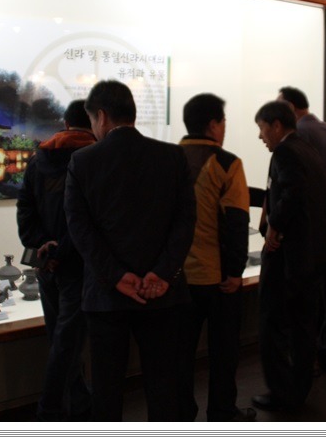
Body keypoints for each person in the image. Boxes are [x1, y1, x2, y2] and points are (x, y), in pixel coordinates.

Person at [64, 80, 195, 421]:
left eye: (92, 121)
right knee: (163, 386)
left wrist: (116, 276)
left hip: (106, 296)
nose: (93, 129)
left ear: (102, 116)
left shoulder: (83, 161)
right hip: (161, 294)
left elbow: (80, 229)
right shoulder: (172, 156)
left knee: (106, 390)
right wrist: (162, 274)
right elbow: (185, 222)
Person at [176, 93, 255, 422]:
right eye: (223, 122)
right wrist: (235, 271)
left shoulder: (169, 159)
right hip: (218, 277)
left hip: (177, 278)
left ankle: (180, 414)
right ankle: (222, 412)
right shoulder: (227, 163)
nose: (224, 128)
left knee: (180, 353)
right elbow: (237, 221)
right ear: (212, 125)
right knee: (224, 351)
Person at [17, 99, 96, 422]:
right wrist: (60, 250)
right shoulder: (93, 158)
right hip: (79, 263)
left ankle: (79, 405)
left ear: (65, 123)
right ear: (95, 121)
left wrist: (42, 248)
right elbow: (88, 220)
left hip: (47, 263)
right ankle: (49, 412)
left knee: (61, 339)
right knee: (67, 342)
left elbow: (25, 208)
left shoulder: (40, 158)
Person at [252, 100, 326, 412]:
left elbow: (291, 192)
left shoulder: (285, 151)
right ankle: (298, 390)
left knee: (273, 325)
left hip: (289, 258)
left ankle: (282, 393)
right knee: (302, 326)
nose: (260, 137)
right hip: (311, 254)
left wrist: (275, 225)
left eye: (261, 129)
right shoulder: (308, 149)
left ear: (276, 125)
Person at [277, 86, 326, 373]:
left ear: (290, 107)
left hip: (311, 228)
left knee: (305, 293)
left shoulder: (296, 136)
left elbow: (294, 188)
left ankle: (304, 357)